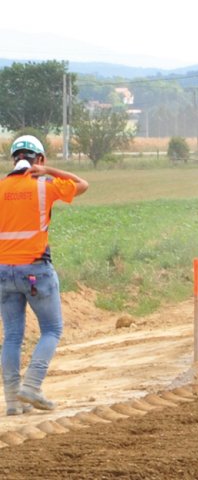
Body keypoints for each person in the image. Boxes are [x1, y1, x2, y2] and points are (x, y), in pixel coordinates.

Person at [0, 135, 88, 414]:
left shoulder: (1, 187)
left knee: (12, 336)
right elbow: (81, 185)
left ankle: (12, 401)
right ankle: (32, 386)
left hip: (3, 272)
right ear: (38, 160)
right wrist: (48, 172)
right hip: (36, 270)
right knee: (52, 329)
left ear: (14, 159)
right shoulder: (44, 185)